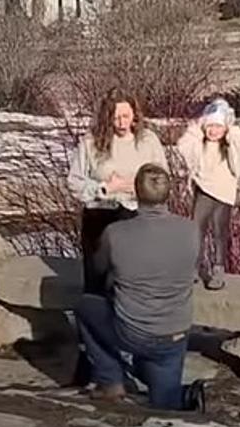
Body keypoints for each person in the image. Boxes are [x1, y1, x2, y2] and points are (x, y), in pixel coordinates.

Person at [74, 164, 206, 412]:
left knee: (85, 306)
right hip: (174, 333)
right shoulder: (190, 230)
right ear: (169, 194)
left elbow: (99, 271)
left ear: (135, 193)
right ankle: (185, 395)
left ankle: (110, 380)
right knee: (164, 402)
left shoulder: (115, 233)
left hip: (131, 331)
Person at [68, 88, 168, 297]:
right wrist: (104, 188)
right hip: (100, 217)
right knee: (98, 284)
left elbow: (163, 179)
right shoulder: (91, 142)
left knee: (134, 282)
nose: (122, 123)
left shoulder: (148, 140)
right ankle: (94, 325)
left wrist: (140, 187)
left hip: (138, 216)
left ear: (134, 115)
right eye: (115, 118)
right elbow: (74, 182)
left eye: (126, 116)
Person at [177, 98, 240, 290]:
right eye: (210, 126)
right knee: (197, 230)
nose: (214, 131)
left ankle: (218, 269)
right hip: (203, 190)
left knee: (220, 233)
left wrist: (232, 130)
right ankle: (194, 267)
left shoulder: (231, 145)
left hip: (223, 193)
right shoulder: (199, 144)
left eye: (218, 126)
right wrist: (196, 127)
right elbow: (183, 147)